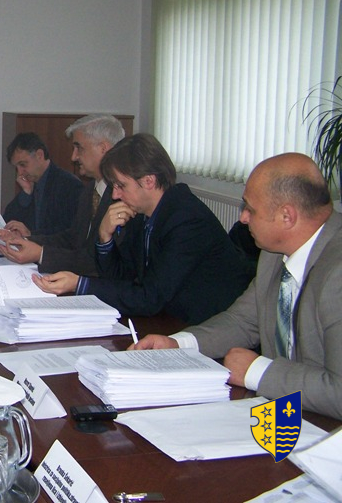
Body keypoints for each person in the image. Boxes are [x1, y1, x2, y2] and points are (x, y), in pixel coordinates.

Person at [132, 153, 342, 420]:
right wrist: (178, 344)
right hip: (287, 415)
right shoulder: (275, 253)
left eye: (250, 209)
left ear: (286, 216)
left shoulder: (337, 273)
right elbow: (242, 321)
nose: (242, 218)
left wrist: (257, 372)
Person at [33, 133, 251, 324]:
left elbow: (149, 298)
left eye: (121, 185)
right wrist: (105, 237)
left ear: (148, 181)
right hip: (168, 318)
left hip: (205, 326)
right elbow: (123, 278)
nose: (115, 194)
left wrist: (79, 284)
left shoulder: (187, 220)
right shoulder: (142, 214)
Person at [0, 114, 124, 275]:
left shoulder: (122, 196)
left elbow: (99, 262)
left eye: (79, 148)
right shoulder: (90, 190)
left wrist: (40, 254)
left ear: (103, 148)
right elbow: (72, 238)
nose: (73, 157)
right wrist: (26, 240)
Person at [2, 132, 84, 236]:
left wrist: (31, 234)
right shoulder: (30, 183)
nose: (20, 172)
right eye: (16, 167)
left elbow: (69, 233)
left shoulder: (69, 185)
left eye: (23, 164)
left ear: (39, 155)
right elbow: (7, 221)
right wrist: (26, 193)